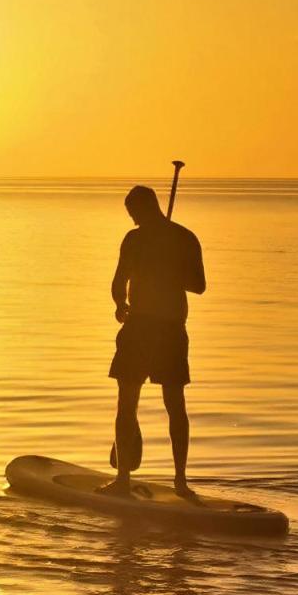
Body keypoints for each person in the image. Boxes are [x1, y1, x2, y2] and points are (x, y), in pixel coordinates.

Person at [102, 184, 206, 497]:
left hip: (166, 330)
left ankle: (178, 481)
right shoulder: (140, 239)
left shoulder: (180, 238)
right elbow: (119, 282)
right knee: (129, 401)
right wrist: (120, 305)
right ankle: (125, 479)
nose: (132, 219)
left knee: (171, 404)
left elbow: (198, 285)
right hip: (141, 327)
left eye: (133, 212)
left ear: (146, 207)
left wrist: (167, 268)